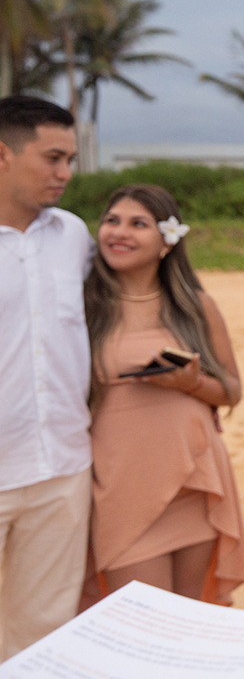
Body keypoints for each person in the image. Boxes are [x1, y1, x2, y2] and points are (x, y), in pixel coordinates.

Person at [84, 184, 244, 605]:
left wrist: (189, 383)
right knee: (141, 621)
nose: (119, 232)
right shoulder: (85, 305)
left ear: (166, 241)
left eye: (138, 224)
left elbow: (232, 389)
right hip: (121, 483)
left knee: (193, 620)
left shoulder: (194, 305)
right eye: (112, 220)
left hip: (193, 477)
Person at [0, 97, 91, 658]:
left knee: (43, 641)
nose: (65, 174)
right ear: (2, 155)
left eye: (71, 160)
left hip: (62, 470)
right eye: (53, 158)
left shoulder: (74, 235)